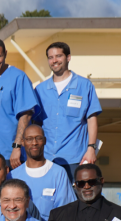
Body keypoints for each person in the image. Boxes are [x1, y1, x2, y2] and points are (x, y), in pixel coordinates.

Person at [34, 42, 102, 177]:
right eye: (50, 57)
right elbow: (36, 124)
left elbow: (91, 119)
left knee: (75, 197)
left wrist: (91, 148)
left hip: (75, 158)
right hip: (47, 158)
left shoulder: (84, 85)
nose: (54, 61)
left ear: (68, 57)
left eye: (58, 56)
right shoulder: (40, 90)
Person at [12, 125, 76, 219]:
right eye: (29, 139)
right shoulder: (13, 176)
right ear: (23, 142)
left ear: (45, 141)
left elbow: (67, 211)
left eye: (38, 138)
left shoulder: (58, 173)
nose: (34, 143)